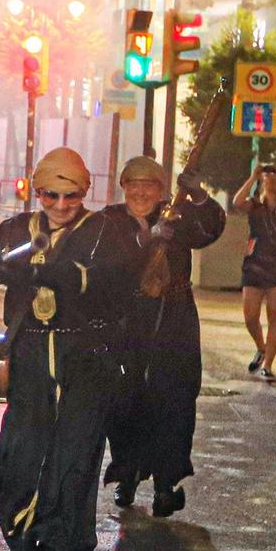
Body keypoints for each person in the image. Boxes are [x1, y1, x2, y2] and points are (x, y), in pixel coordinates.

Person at [0, 147, 143, 551]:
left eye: (72, 195)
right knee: (18, 463)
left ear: (84, 193)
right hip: (30, 359)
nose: (62, 204)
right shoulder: (18, 230)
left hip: (86, 361)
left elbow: (108, 278)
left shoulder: (104, 231)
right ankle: (20, 546)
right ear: (37, 189)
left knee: (71, 467)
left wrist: (43, 270)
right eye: (52, 194)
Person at [97, 154, 227, 517]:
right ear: (123, 187)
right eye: (133, 184)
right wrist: (144, 240)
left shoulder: (179, 215)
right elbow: (104, 262)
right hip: (127, 326)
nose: (140, 191)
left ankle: (166, 485)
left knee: (173, 402)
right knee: (124, 403)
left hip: (174, 323)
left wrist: (198, 196)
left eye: (149, 184)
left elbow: (210, 230)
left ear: (162, 189)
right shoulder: (110, 221)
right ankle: (127, 474)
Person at [231, 160, 276, 382]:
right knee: (250, 316)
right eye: (267, 174)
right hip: (254, 266)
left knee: (274, 316)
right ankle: (261, 347)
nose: (270, 177)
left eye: (274, 174)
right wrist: (253, 176)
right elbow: (237, 201)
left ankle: (268, 364)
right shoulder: (255, 205)